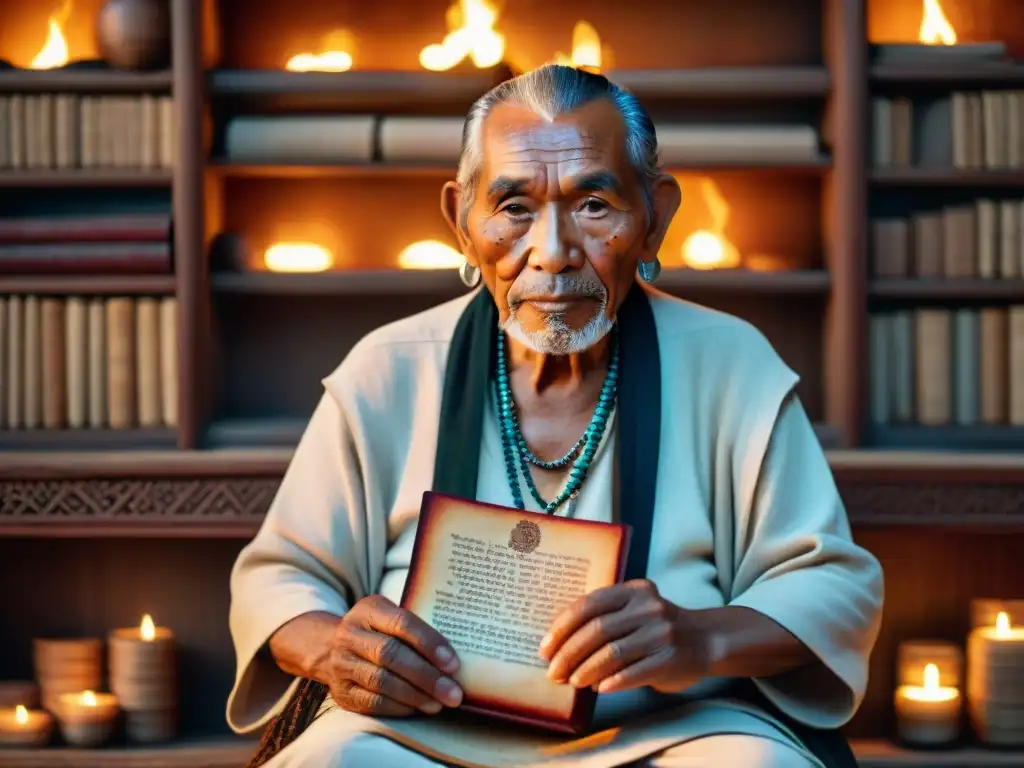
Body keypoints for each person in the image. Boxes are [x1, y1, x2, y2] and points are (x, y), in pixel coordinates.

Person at [226, 65, 884, 768]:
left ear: (655, 216)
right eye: (513, 208)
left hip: (680, 726)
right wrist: (336, 649)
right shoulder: (391, 366)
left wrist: (698, 639)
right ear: (460, 222)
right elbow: (277, 579)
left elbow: (832, 588)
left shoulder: (731, 364)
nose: (553, 253)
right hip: (416, 731)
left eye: (593, 205)